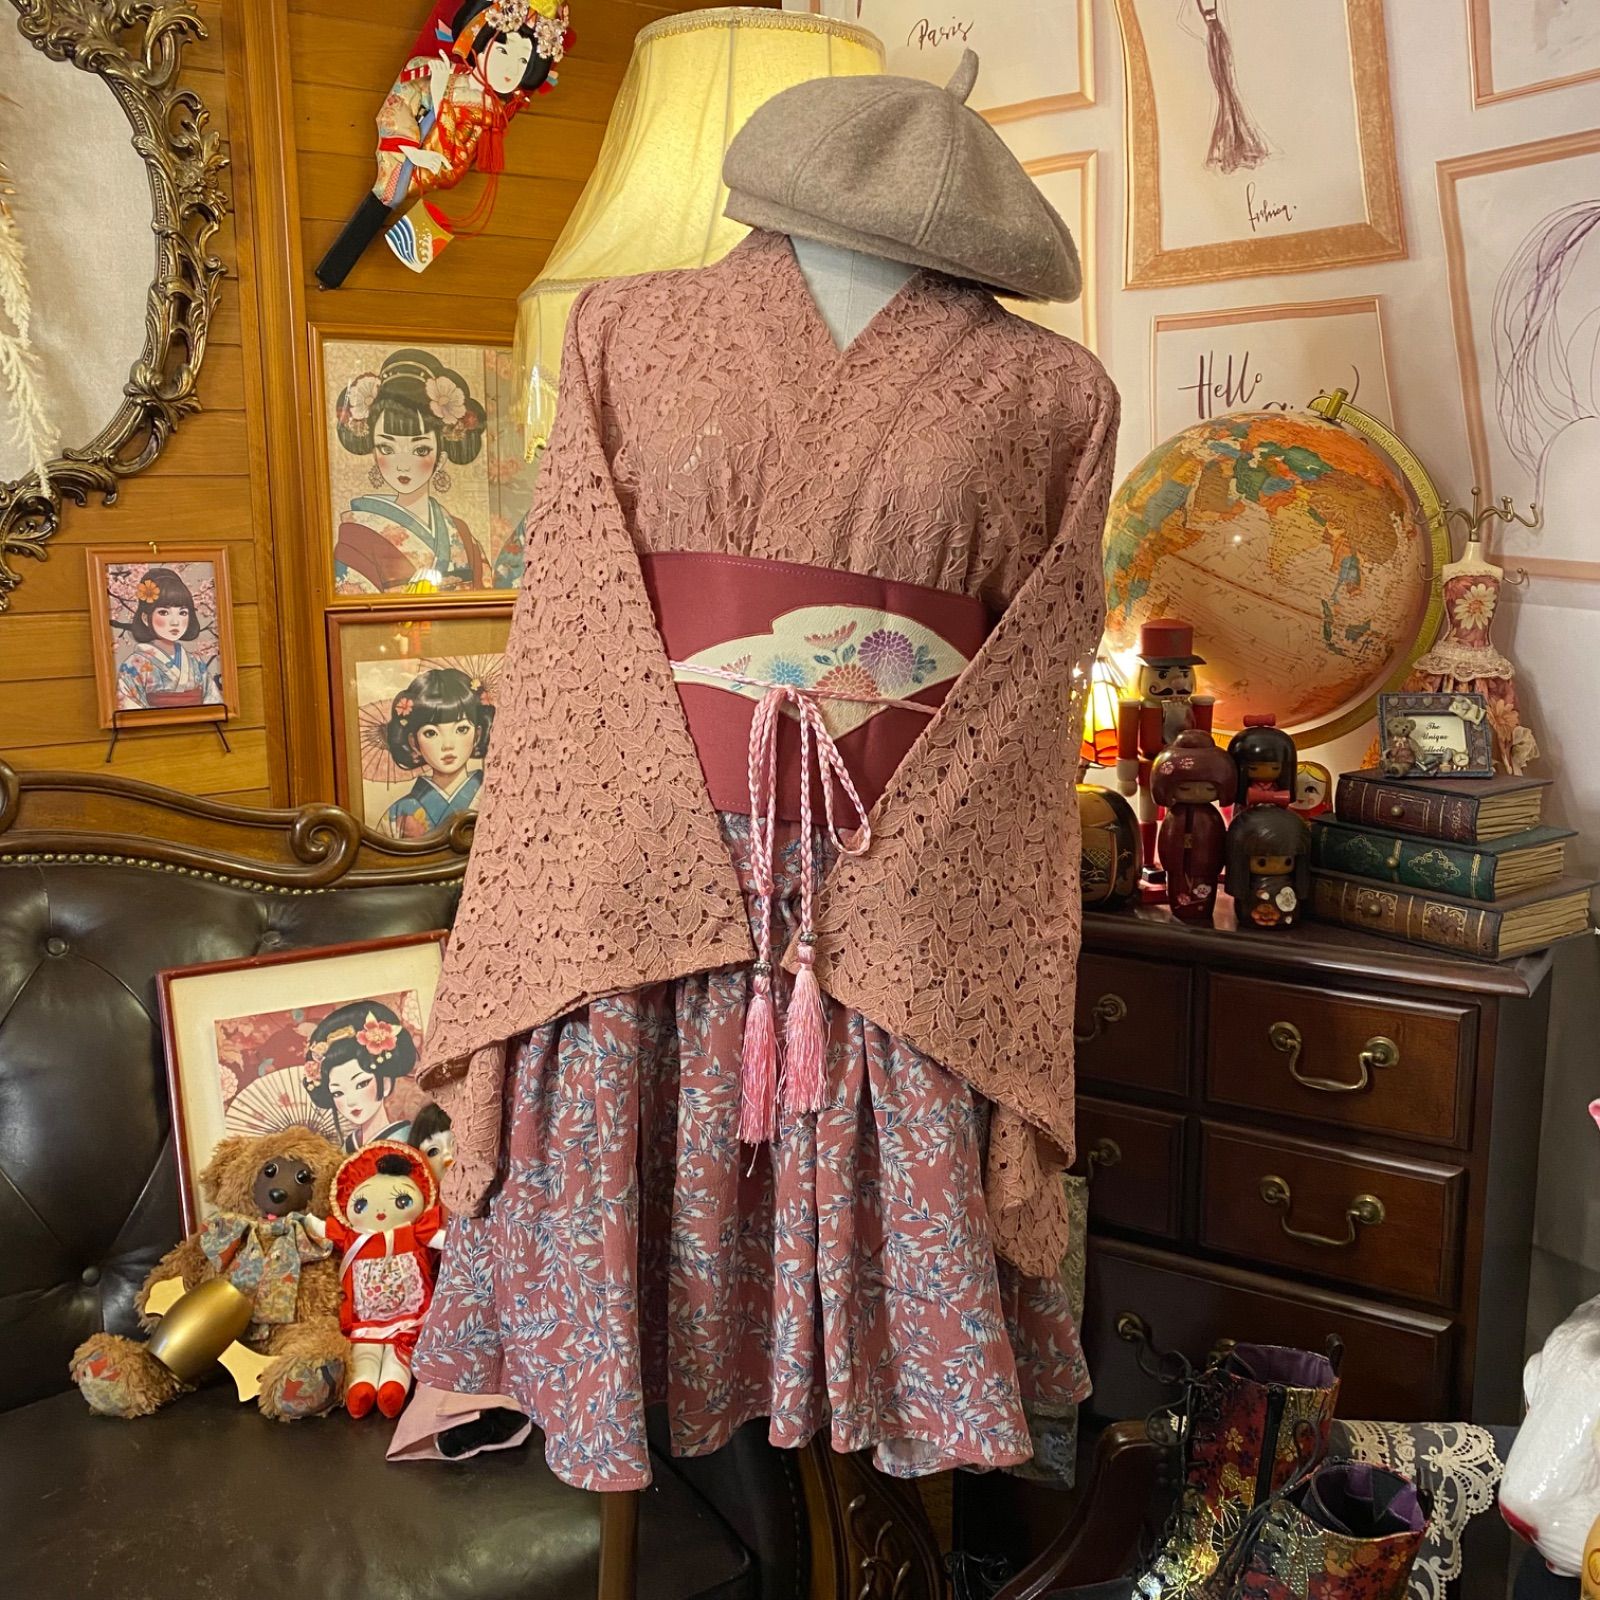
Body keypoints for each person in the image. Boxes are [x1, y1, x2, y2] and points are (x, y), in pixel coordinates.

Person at [333, 349, 489, 593]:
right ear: (374, 453)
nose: (403, 464)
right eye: (387, 448)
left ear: (441, 458)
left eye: (420, 450)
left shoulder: (460, 532)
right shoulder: (358, 536)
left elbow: (485, 596)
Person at [378, 666, 494, 838]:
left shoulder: (494, 798)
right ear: (413, 742)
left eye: (461, 729)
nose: (447, 745)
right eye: (431, 733)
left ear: (477, 735)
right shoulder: (399, 812)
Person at [302, 1001, 421, 1152]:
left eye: (361, 1084)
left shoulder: (408, 1141)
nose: (350, 1101)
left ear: (386, 1083)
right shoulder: (346, 1150)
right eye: (337, 1093)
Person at [115, 567, 222, 711]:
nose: (175, 622)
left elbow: (212, 700)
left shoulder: (195, 662)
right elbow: (129, 708)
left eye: (182, 613)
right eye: (164, 612)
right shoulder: (134, 665)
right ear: (146, 618)